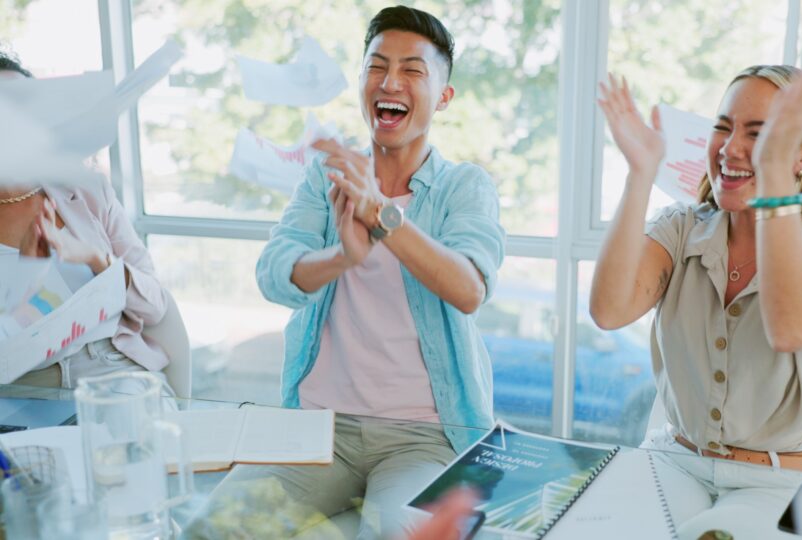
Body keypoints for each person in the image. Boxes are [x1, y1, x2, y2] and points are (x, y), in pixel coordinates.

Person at [193, 6, 505, 539]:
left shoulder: (464, 187)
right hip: (316, 432)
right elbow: (273, 273)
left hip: (423, 438)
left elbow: (469, 288)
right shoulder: (326, 175)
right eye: (377, 66)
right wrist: (344, 257)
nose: (390, 82)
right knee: (212, 531)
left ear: (443, 96)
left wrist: (381, 213)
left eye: (412, 70)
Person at [590, 64, 802, 536]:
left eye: (758, 135)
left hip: (779, 483)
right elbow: (608, 310)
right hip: (675, 461)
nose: (730, 147)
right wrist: (640, 174)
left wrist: (773, 185)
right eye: (722, 127)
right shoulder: (681, 228)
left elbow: (790, 329)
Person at [0, 51, 171, 390]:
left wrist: (97, 259)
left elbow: (155, 306)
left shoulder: (86, 191)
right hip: (22, 388)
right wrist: (28, 271)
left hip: (111, 368)